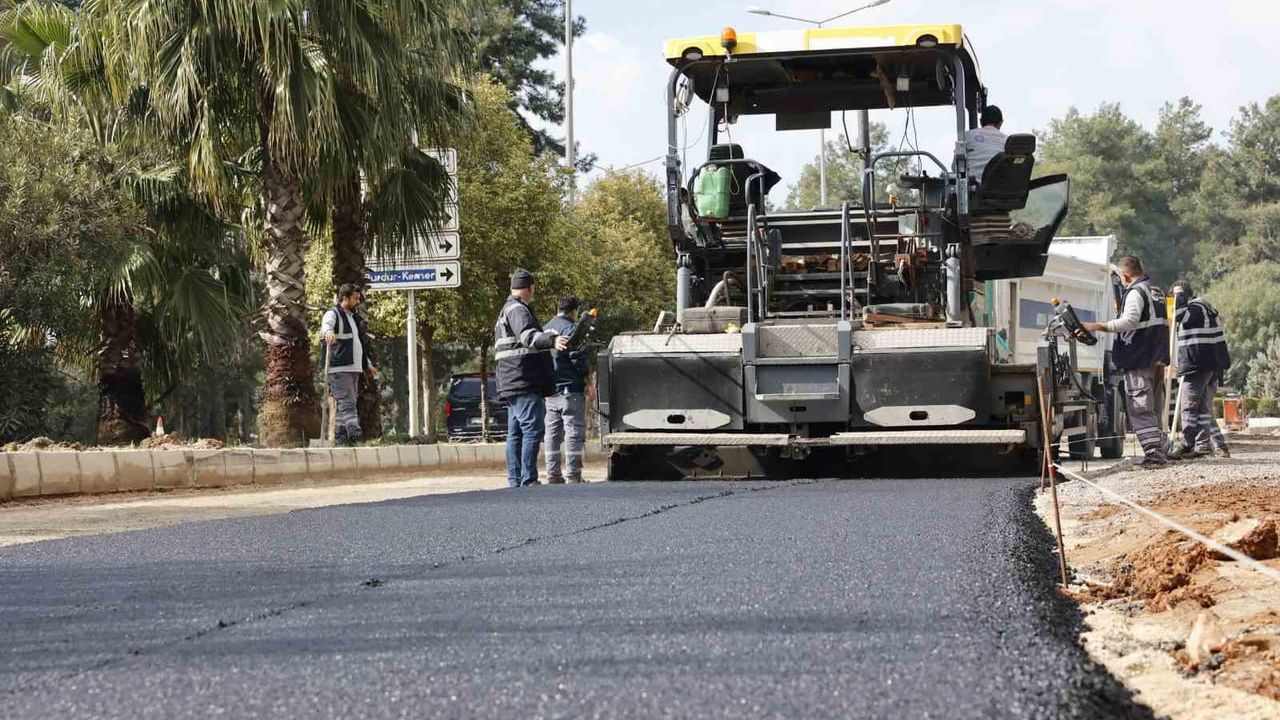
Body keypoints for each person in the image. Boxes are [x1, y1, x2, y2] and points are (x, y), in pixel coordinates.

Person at [1082, 256, 1171, 467]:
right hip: (1156, 356)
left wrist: (1098, 326)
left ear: (1125, 275)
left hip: (1140, 357)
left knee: (1140, 407)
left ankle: (1154, 455)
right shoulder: (1154, 290)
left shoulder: (1136, 291)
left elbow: (1130, 320)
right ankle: (1159, 449)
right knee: (1154, 407)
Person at [494, 268, 570, 487]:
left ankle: (515, 481)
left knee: (516, 432)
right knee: (532, 428)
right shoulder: (518, 310)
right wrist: (552, 341)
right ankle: (528, 480)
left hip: (511, 380)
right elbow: (529, 336)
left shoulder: (506, 310)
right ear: (530, 288)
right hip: (522, 380)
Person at [1169, 278, 1231, 459]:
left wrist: (1178, 293)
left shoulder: (1194, 309)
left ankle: (1187, 444)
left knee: (1188, 406)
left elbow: (1180, 315)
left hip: (1198, 364)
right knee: (1204, 410)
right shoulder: (1206, 309)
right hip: (1211, 365)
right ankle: (1204, 445)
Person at [321, 284, 378, 444]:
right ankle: (356, 435)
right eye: (355, 298)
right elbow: (326, 326)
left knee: (344, 404)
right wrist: (329, 333)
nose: (358, 302)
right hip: (339, 368)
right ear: (344, 298)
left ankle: (340, 438)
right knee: (348, 402)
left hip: (355, 368)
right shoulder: (333, 314)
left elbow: (358, 345)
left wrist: (367, 364)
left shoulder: (353, 318)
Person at [544, 296, 590, 484]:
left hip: (550, 390)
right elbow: (577, 357)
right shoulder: (571, 329)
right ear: (574, 312)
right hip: (570, 389)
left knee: (552, 434)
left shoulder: (545, 328)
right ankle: (573, 474)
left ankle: (553, 474)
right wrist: (587, 380)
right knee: (573, 431)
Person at [965, 105, 1007, 181]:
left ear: (980, 121)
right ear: (1001, 122)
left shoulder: (967, 136)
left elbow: (956, 166)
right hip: (1000, 188)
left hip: (973, 189)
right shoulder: (1008, 141)